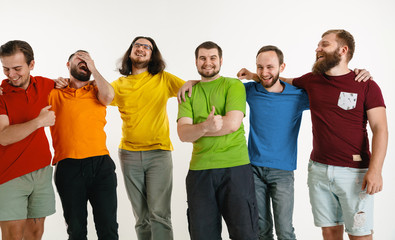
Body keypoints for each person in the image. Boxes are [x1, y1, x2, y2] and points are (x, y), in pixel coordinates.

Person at [249, 30, 386, 240]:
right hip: (319, 171)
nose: (317, 49)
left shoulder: (366, 84)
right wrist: (254, 76)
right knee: (329, 232)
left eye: (324, 44)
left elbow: (380, 129)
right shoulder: (312, 81)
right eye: (318, 45)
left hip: (355, 173)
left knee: (360, 233)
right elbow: (281, 81)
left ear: (343, 50)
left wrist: (375, 170)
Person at [177, 41, 258, 240]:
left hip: (236, 168)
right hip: (199, 172)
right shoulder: (188, 92)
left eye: (213, 58)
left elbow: (231, 123)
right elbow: (182, 134)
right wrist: (206, 126)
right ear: (196, 62)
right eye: (202, 58)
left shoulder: (233, 85)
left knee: (245, 234)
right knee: (203, 235)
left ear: (220, 60)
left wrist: (196, 130)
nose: (208, 62)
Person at [110, 36, 185, 240]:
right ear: (130, 51)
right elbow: (95, 95)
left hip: (159, 154)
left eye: (147, 47)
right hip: (128, 155)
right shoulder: (119, 84)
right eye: (137, 45)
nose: (141, 49)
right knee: (141, 217)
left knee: (159, 214)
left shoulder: (163, 78)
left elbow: (191, 91)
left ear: (152, 55)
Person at [49, 50, 118, 240]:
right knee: (76, 230)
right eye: (79, 58)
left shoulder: (97, 90)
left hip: (101, 164)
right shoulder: (54, 93)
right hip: (68, 166)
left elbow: (109, 96)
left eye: (88, 59)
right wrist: (54, 82)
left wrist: (94, 68)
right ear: (68, 64)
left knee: (109, 228)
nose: (84, 61)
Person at [0, 40, 56, 240]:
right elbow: (3, 137)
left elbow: (75, 88)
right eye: (6, 69)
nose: (11, 75)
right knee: (13, 236)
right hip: (9, 175)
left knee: (35, 234)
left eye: (17, 68)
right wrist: (39, 121)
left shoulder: (45, 84)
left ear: (31, 65)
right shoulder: (1, 96)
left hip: (41, 172)